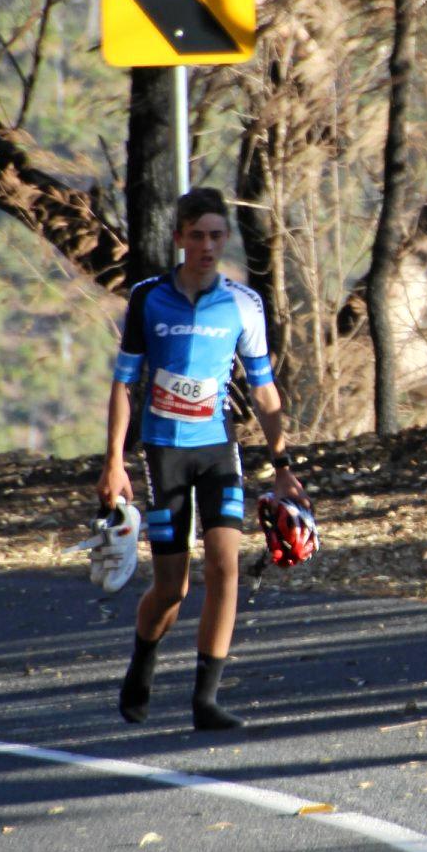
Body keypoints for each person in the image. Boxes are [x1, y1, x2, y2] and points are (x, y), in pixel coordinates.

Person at [98, 188, 305, 729]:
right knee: (173, 586)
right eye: (197, 236)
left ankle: (206, 700)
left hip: (218, 448)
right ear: (179, 238)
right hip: (165, 450)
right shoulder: (148, 297)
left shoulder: (243, 304)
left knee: (224, 566)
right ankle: (142, 663)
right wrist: (114, 462)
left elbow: (264, 391)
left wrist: (283, 466)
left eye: (217, 236)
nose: (208, 246)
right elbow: (124, 384)